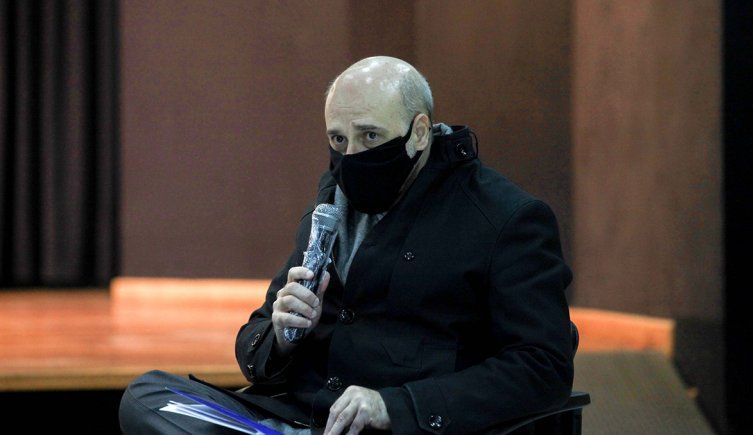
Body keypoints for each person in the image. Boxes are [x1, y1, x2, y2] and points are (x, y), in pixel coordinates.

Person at [119, 56, 575, 435]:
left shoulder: (505, 218)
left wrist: (395, 406)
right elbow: (255, 344)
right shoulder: (330, 203)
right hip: (297, 418)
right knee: (150, 394)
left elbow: (543, 368)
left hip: (402, 427)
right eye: (338, 139)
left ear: (419, 132)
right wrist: (281, 336)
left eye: (370, 136)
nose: (351, 156)